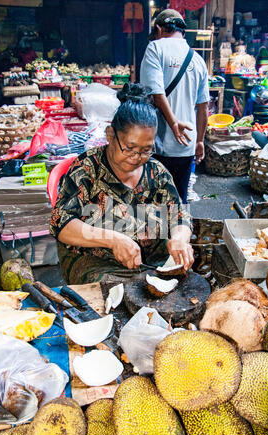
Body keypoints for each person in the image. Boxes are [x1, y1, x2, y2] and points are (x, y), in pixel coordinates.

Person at [49, 83, 194, 284]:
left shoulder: (156, 172)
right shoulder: (87, 169)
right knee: (118, 295)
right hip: (97, 263)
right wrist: (113, 239)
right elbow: (61, 223)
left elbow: (180, 215)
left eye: (146, 150)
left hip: (151, 264)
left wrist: (179, 239)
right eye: (129, 148)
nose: (136, 157)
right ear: (110, 135)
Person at [140, 9, 210, 203]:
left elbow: (156, 92)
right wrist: (200, 141)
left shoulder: (155, 48)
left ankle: (161, 233)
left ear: (158, 29)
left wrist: (172, 124)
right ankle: (180, 231)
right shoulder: (198, 59)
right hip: (186, 145)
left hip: (157, 144)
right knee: (179, 200)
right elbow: (203, 106)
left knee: (155, 203)